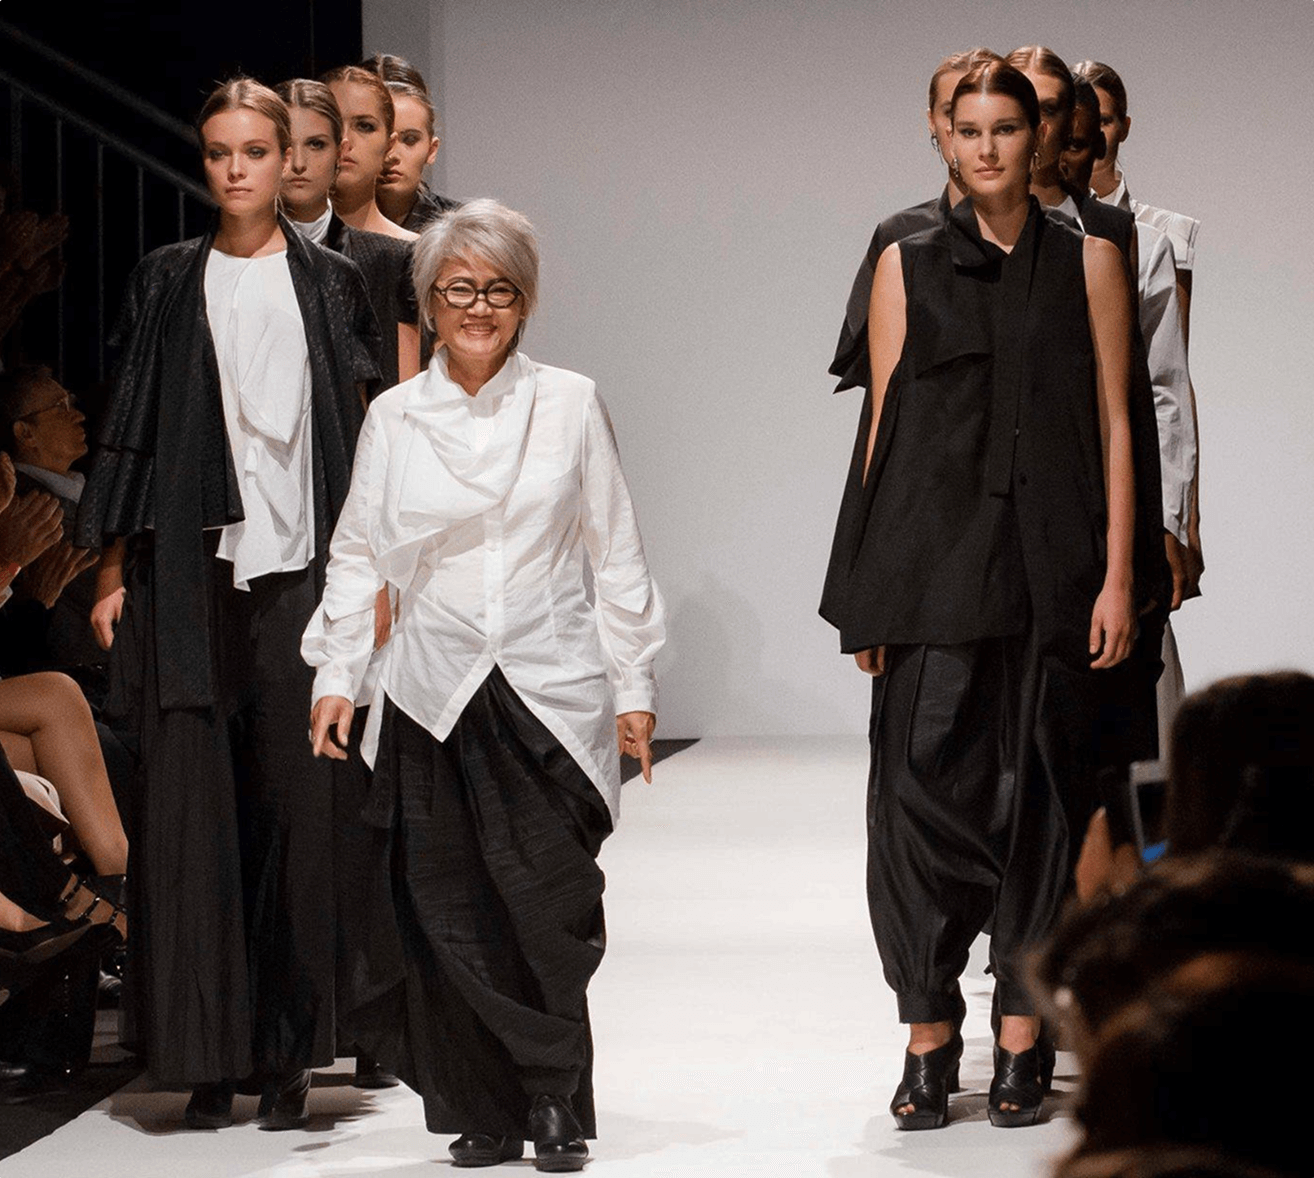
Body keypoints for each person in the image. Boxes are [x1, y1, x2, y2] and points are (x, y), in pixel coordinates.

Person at [302, 198, 664, 1171]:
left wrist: (635, 684)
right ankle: (495, 1103)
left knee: (547, 904)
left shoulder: (571, 403)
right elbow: (359, 555)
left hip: (545, 683)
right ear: (430, 297)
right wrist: (338, 672)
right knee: (447, 903)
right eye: (459, 288)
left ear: (524, 301)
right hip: (428, 686)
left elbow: (615, 552)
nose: (477, 306)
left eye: (498, 289)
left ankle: (552, 1089)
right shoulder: (395, 416)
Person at [822, 60, 1140, 1131]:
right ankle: (925, 1031)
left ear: (1036, 137)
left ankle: (1018, 1033)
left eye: (1009, 127)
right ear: (944, 139)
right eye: (972, 129)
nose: (991, 147)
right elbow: (879, 432)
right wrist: (862, 589)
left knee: (1041, 798)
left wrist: (1119, 573)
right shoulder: (904, 261)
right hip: (930, 564)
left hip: (1052, 567)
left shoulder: (1091, 259)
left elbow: (1116, 422)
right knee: (917, 797)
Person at [74, 77, 381, 1131]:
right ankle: (209, 1052)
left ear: (290, 155)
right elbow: (135, 426)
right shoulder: (167, 277)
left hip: (300, 576)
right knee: (196, 813)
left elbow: (358, 433)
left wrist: (370, 583)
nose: (243, 168)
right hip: (190, 576)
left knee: (299, 814)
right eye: (221, 151)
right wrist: (113, 572)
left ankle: (292, 1049)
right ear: (203, 162)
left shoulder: (332, 280)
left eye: (259, 148)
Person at [1074, 59, 1204, 597]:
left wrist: (1179, 519)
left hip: (1134, 457)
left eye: (1104, 120)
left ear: (1124, 126)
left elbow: (1167, 376)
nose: (1093, 135)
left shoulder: (1158, 236)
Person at [278, 78, 421, 389]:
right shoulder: (227, 258)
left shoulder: (396, 258)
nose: (300, 162)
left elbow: (403, 394)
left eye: (316, 143)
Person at [358, 53, 459, 231]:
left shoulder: (459, 230)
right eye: (369, 129)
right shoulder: (320, 226)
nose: (391, 155)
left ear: (431, 148)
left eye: (409, 139)